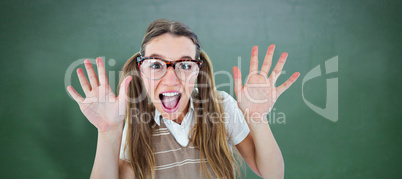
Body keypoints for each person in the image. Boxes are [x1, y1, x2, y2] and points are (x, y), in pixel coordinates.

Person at [67, 19, 300, 179]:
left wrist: (257, 118)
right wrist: (108, 131)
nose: (171, 80)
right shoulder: (136, 123)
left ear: (198, 71)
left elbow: (272, 174)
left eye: (185, 64)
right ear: (141, 71)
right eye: (156, 64)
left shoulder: (222, 107)